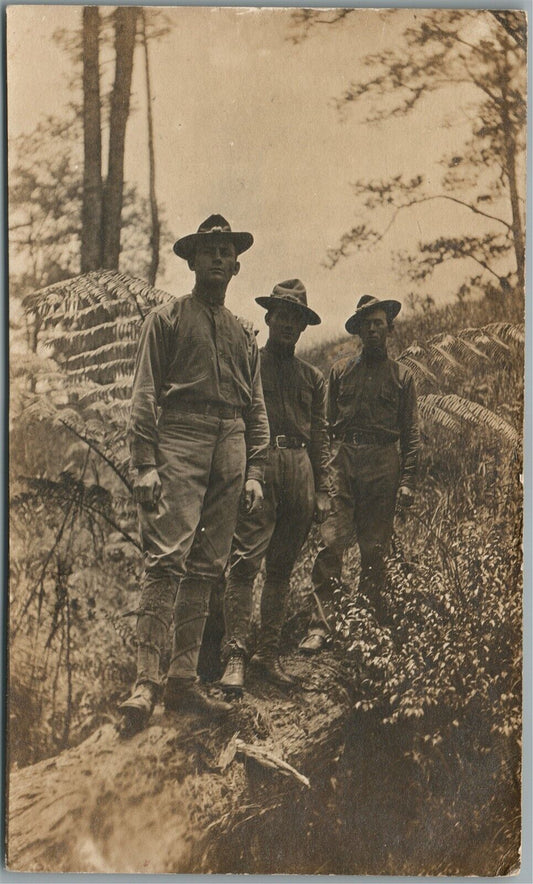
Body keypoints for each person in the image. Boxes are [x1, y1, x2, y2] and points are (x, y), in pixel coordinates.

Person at [119, 215, 269, 731]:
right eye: (208, 251)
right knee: (166, 560)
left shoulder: (244, 333)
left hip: (230, 445)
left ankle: (182, 683)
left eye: (226, 252)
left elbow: (256, 407)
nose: (218, 259)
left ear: (236, 264)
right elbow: (142, 394)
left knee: (208, 566)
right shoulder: (166, 319)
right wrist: (144, 463)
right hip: (179, 439)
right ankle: (145, 683)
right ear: (191, 260)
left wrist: (254, 471)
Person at [220, 279, 330, 691]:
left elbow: (320, 433)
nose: (288, 323)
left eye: (296, 318)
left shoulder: (312, 377)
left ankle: (267, 654)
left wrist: (321, 488)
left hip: (300, 467)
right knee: (246, 561)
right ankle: (235, 656)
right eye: (282, 315)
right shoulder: (251, 364)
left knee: (282, 566)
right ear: (269, 318)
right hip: (259, 467)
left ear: (303, 326)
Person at [299, 294, 420, 653]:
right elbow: (323, 425)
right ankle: (320, 624)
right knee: (330, 542)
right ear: (358, 331)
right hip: (344, 460)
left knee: (374, 549)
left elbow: (411, 434)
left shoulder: (403, 377)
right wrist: (324, 471)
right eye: (366, 323)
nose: (372, 329)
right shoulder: (340, 371)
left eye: (378, 322)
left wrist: (408, 481)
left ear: (389, 328)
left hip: (384, 463)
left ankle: (364, 623)